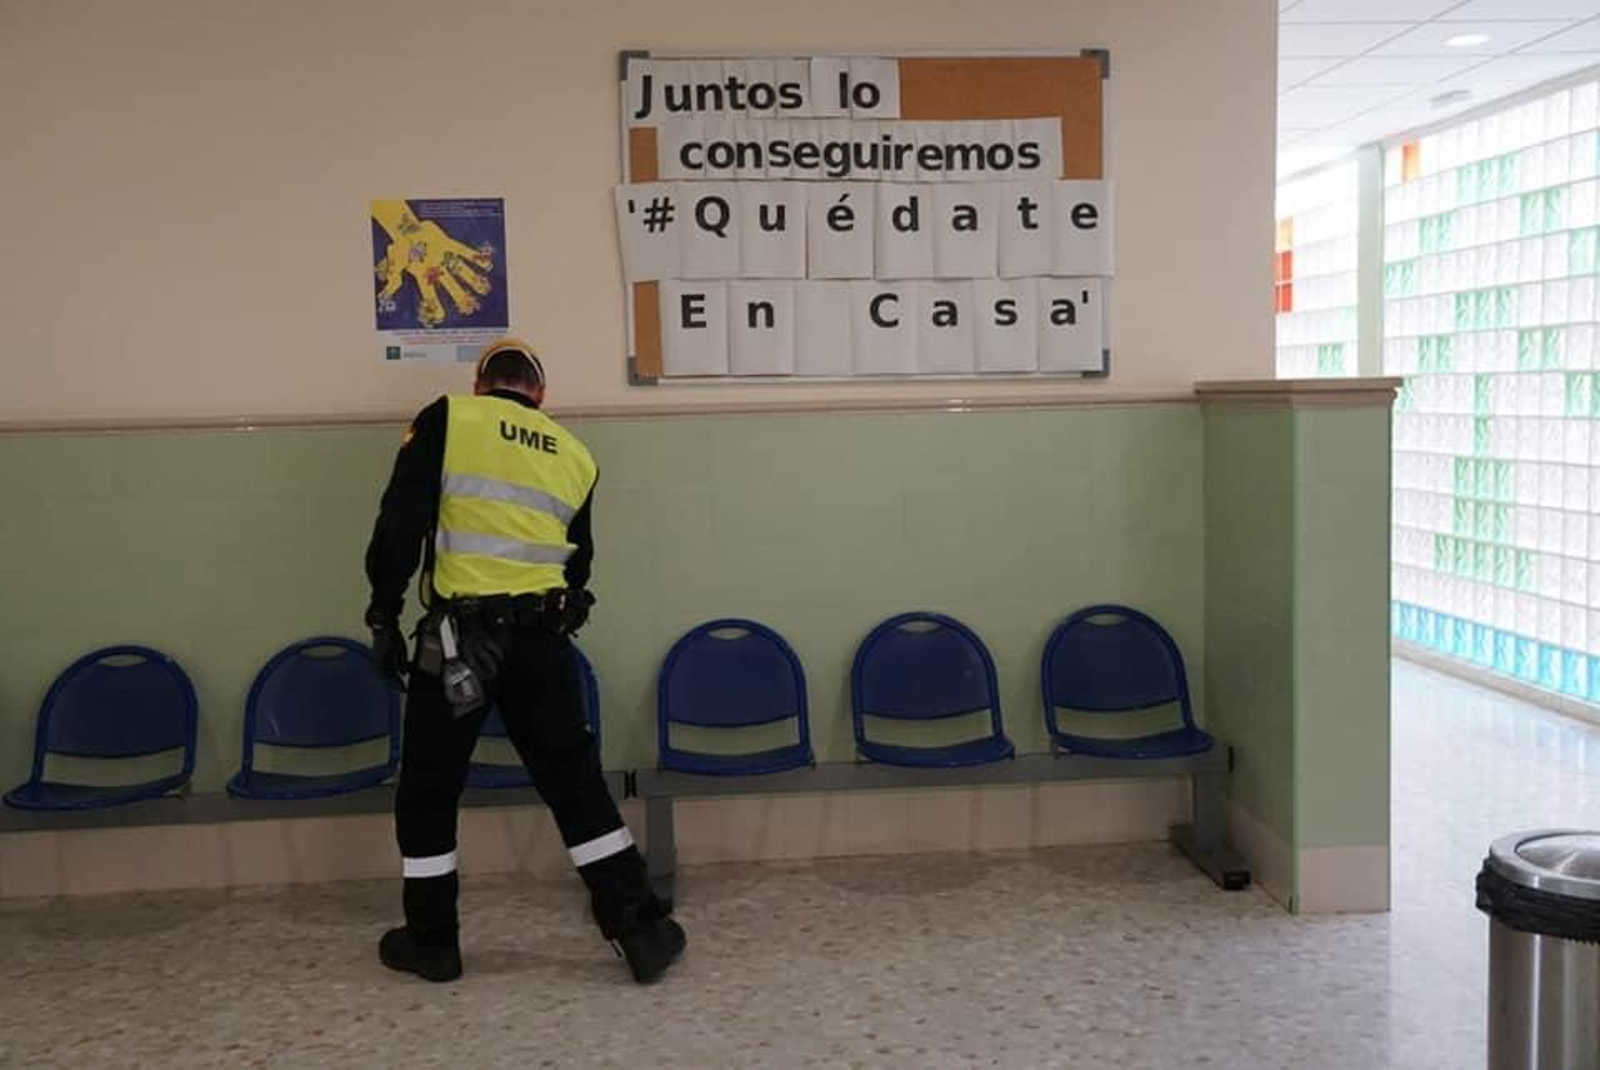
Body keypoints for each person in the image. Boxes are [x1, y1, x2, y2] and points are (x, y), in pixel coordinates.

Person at [362, 337, 685, 984]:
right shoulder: (574, 454)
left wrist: (382, 613)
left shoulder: (451, 418)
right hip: (540, 644)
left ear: (482, 384)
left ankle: (433, 942)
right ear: (539, 394)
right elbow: (580, 565)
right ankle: (640, 930)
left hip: (457, 645)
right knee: (574, 783)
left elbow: (400, 522)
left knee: (430, 788)